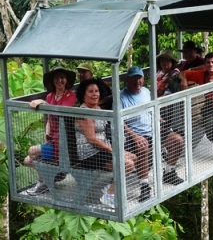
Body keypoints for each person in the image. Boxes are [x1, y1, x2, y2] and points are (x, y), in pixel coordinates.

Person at [121, 66, 185, 202]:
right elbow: (120, 122)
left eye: (140, 78)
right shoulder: (122, 96)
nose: (137, 81)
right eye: (134, 78)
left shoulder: (145, 91)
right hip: (137, 134)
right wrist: (134, 136)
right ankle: (144, 186)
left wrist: (160, 121)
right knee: (143, 147)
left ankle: (169, 172)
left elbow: (152, 109)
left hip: (154, 130)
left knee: (177, 140)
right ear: (127, 79)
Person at [75, 78, 136, 208]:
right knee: (127, 164)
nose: (94, 94)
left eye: (96, 91)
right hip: (89, 154)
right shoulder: (85, 112)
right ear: (83, 95)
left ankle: (109, 188)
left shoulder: (97, 108)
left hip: (101, 150)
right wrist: (112, 150)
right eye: (90, 92)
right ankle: (109, 195)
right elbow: (92, 140)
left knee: (133, 157)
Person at [24, 67, 77, 195]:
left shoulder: (70, 95)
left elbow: (60, 111)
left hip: (63, 144)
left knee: (32, 151)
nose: (60, 80)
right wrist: (46, 133)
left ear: (66, 80)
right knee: (27, 161)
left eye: (62, 77)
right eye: (57, 78)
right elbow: (49, 119)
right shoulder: (50, 96)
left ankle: (46, 181)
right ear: (53, 81)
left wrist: (42, 102)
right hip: (52, 141)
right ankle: (46, 181)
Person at [179, 53, 213, 157]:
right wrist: (184, 80)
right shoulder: (201, 74)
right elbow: (182, 73)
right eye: (208, 62)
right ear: (205, 64)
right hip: (210, 107)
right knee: (210, 130)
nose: (211, 65)